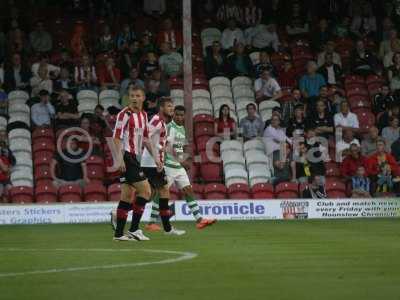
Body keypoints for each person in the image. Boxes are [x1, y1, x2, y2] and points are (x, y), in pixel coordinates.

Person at [146, 105, 216, 231]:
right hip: (168, 166)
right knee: (162, 193)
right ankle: (151, 222)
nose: (179, 117)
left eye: (181, 115)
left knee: (188, 190)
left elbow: (178, 147)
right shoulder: (170, 128)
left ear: (184, 116)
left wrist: (182, 158)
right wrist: (182, 161)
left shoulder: (181, 129)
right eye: (177, 114)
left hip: (178, 167)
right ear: (173, 115)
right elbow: (166, 147)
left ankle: (200, 220)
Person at [111, 86, 162, 241]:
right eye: (132, 95)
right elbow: (116, 137)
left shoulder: (144, 115)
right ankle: (134, 229)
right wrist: (119, 159)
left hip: (134, 157)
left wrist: (156, 158)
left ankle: (119, 234)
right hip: (126, 156)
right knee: (146, 192)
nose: (134, 98)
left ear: (143, 98)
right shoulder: (124, 114)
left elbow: (146, 139)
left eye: (137, 95)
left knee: (127, 195)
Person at [140, 98, 185, 236]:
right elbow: (145, 137)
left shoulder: (163, 123)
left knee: (150, 195)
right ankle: (168, 229)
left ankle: (119, 213)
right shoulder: (156, 120)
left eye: (172, 106)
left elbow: (155, 141)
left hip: (153, 162)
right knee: (163, 191)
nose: (172, 108)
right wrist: (156, 158)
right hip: (151, 163)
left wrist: (165, 149)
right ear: (161, 108)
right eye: (169, 106)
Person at [0, 130, 16, 202]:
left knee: (10, 190)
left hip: (5, 177)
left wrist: (10, 168)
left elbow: (13, 160)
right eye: (1, 136)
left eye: (4, 136)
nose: (3, 137)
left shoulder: (7, 149)